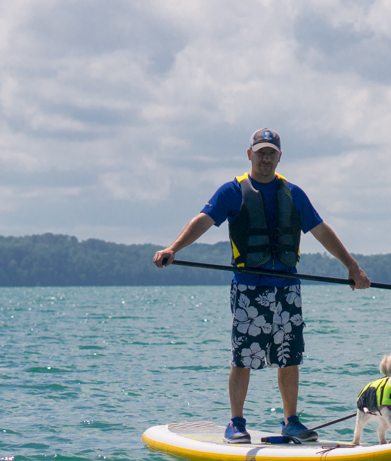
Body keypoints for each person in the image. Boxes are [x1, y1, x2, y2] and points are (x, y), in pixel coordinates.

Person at [153, 128, 370, 443]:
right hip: (248, 288)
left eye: (271, 153)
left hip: (286, 287)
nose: (265, 158)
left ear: (279, 157)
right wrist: (174, 249)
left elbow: (321, 231)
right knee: (243, 357)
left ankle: (291, 422)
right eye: (260, 152)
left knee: (290, 355)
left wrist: (352, 266)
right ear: (249, 154)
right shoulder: (232, 191)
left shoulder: (293, 193)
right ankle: (236, 423)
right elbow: (203, 219)